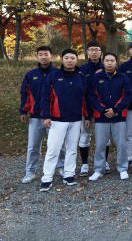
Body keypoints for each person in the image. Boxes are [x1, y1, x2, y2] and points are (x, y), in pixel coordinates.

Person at [39, 49, 90, 192]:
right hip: (57, 119)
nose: (69, 60)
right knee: (53, 149)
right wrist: (46, 116)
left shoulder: (81, 76)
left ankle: (69, 175)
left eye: (72, 58)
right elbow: (45, 97)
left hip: (75, 119)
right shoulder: (53, 76)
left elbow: (85, 98)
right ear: (62, 59)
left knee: (72, 149)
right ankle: (47, 178)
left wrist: (86, 116)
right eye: (66, 58)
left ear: (76, 60)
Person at [87, 53, 132, 181]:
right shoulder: (96, 78)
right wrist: (102, 110)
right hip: (101, 116)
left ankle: (122, 169)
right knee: (101, 144)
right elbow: (91, 96)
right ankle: (98, 170)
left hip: (118, 116)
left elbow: (127, 95)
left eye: (112, 60)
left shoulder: (123, 77)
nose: (110, 63)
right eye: (107, 60)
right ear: (104, 62)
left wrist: (116, 109)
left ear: (116, 62)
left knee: (121, 144)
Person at [19, 46, 60, 184]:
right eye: (40, 54)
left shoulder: (58, 73)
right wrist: (23, 110)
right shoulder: (31, 74)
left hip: (54, 116)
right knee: (33, 146)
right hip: (36, 116)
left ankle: (61, 168)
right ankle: (30, 171)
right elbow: (25, 93)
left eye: (46, 54)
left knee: (58, 145)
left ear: (51, 56)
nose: (43, 57)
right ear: (37, 57)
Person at [78, 41, 109, 177]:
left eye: (97, 49)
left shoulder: (106, 67)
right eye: (91, 50)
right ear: (87, 52)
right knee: (85, 137)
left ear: (100, 52)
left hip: (102, 109)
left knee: (105, 138)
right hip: (87, 109)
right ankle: (84, 164)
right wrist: (86, 111)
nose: (94, 52)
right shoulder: (82, 70)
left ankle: (104, 162)